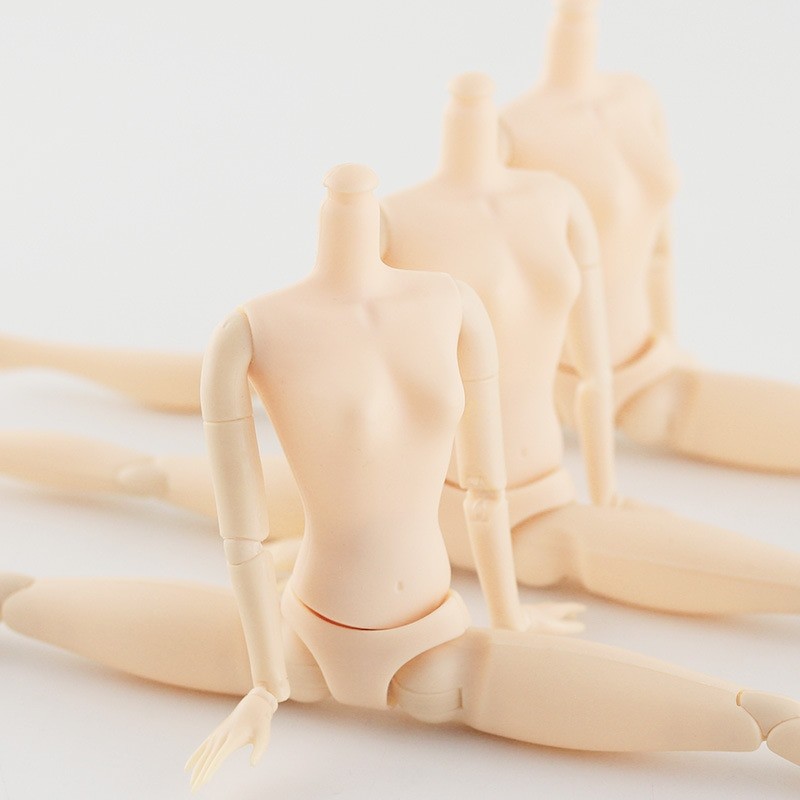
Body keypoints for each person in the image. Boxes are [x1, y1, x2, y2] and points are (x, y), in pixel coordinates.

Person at [501, 0, 800, 473]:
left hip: (650, 357)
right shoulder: (512, 131)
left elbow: (661, 247)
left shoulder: (635, 96)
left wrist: (667, 342)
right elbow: (501, 271)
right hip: (582, 373)